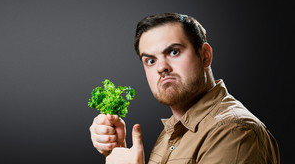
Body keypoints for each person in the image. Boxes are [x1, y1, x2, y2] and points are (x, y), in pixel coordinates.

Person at [89, 13, 280, 163]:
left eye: (174, 52)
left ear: (205, 55)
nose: (161, 67)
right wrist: (118, 149)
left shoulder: (233, 131)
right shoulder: (171, 133)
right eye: (150, 60)